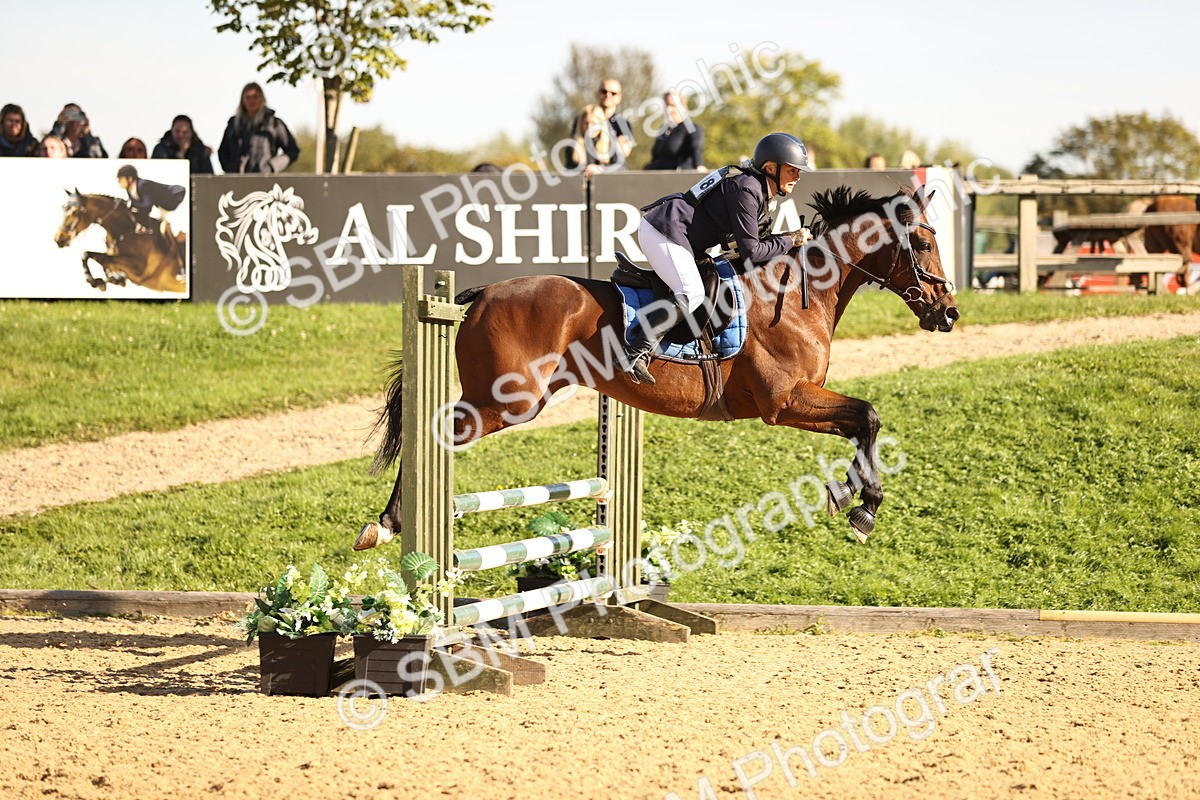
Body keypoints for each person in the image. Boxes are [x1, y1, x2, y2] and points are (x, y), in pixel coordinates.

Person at [624, 132, 814, 384]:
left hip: (682, 237)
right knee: (691, 293)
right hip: (663, 230)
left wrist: (788, 238)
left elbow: (755, 245)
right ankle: (634, 351)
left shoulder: (758, 188)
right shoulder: (748, 189)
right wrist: (791, 240)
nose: (797, 177)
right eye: (792, 170)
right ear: (771, 168)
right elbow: (752, 253)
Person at [218, 82, 300, 173]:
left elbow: (293, 150)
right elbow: (223, 151)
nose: (251, 101)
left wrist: (272, 166)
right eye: (248, 97)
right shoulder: (233, 125)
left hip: (264, 179)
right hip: (236, 179)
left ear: (261, 99)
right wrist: (230, 167)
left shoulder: (274, 123)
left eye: (255, 97)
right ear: (242, 100)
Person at [116, 164, 186, 267]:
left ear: (130, 179)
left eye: (120, 179)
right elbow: (137, 209)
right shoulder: (130, 190)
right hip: (163, 208)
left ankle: (183, 266)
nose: (119, 182)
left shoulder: (143, 185)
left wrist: (131, 205)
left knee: (175, 233)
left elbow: (147, 205)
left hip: (178, 202)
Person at [568, 78, 633, 176]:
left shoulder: (623, 124)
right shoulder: (583, 117)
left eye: (613, 93)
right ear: (598, 94)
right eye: (604, 91)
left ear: (619, 97)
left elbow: (623, 155)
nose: (608, 95)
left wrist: (601, 168)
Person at [645, 92, 705, 172]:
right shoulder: (663, 130)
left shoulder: (691, 127)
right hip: (658, 179)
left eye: (672, 105)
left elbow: (696, 149)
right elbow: (656, 157)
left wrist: (699, 166)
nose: (668, 109)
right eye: (666, 105)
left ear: (683, 107)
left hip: (678, 179)